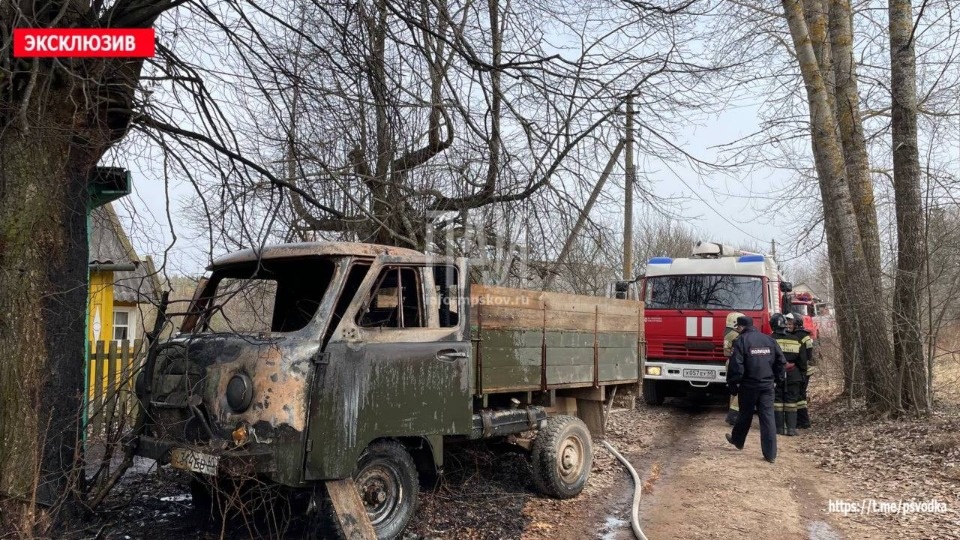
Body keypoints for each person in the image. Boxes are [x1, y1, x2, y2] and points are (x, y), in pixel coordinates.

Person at [725, 315, 785, 464]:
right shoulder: (769, 340)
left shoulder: (741, 341)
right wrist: (778, 380)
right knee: (768, 418)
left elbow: (736, 366)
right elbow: (780, 361)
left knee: (745, 414)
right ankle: (770, 454)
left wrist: (733, 384)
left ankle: (738, 441)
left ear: (740, 327)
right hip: (767, 385)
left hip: (748, 386)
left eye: (738, 327)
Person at [772, 313, 809, 436]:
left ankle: (779, 429)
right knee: (792, 401)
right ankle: (791, 429)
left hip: (776, 374)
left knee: (777, 401)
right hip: (794, 374)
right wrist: (802, 373)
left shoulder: (770, 339)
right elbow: (803, 360)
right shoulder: (795, 339)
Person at [785, 312, 814, 429]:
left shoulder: (799, 336)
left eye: (790, 323)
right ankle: (802, 421)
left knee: (799, 396)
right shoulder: (802, 335)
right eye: (787, 323)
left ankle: (803, 422)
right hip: (803, 370)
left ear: (796, 324)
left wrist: (800, 369)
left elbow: (806, 356)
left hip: (803, 370)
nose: (788, 325)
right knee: (800, 395)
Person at [723, 312, 746, 426]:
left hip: (732, 363)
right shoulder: (735, 335)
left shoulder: (730, 334)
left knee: (733, 389)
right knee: (739, 389)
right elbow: (729, 352)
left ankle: (732, 414)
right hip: (736, 364)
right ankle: (733, 416)